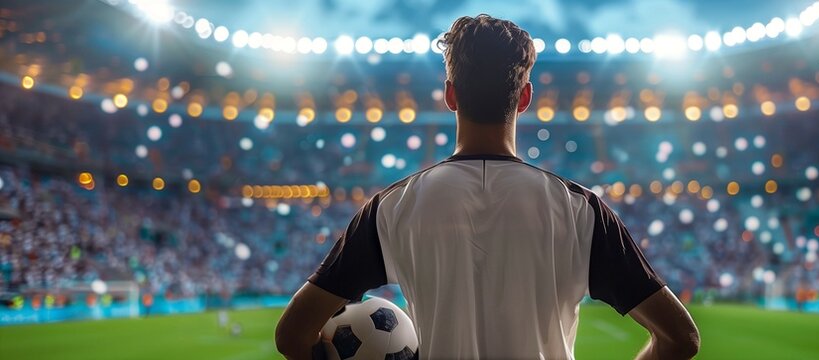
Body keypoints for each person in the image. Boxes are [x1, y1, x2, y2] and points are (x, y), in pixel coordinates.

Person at [275, 14, 699, 360]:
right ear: (525, 97)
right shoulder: (580, 210)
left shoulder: (390, 207)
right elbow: (681, 339)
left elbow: (292, 335)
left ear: (450, 95)